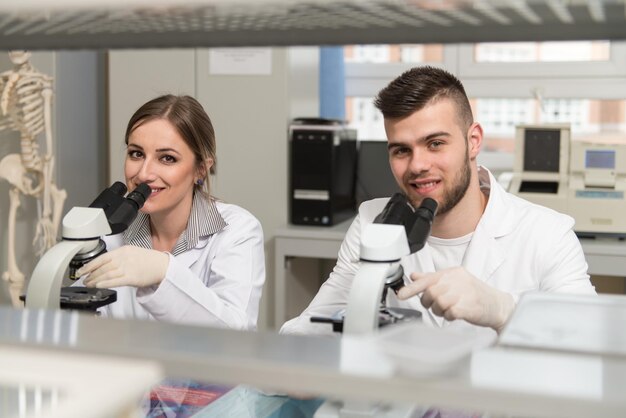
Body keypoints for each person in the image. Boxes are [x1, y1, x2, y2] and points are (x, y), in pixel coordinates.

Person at [281, 66, 595, 336]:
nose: (417, 165)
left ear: (473, 142)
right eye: (402, 150)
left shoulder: (547, 234)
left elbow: (590, 340)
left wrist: (502, 309)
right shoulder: (374, 221)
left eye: (435, 143)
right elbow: (314, 323)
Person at [75, 94, 265, 330]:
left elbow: (236, 333)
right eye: (136, 154)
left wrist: (164, 271)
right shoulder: (109, 231)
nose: (144, 174)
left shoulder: (237, 230)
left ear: (200, 170)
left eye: (167, 158)